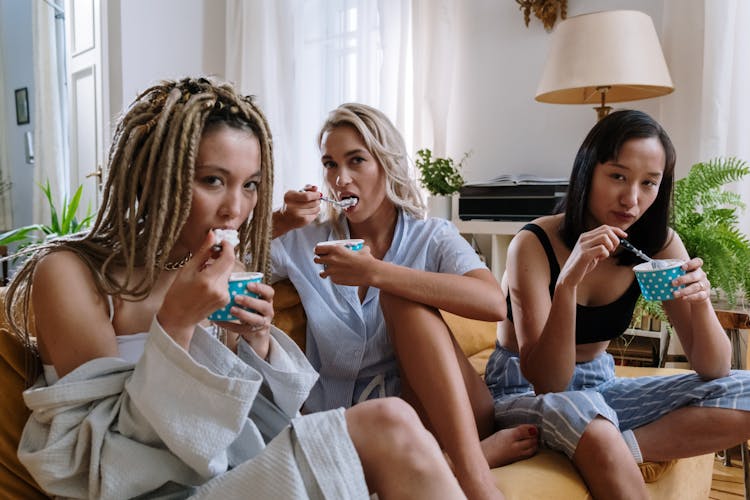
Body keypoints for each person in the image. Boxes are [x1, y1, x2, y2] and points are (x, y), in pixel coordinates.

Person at [4, 78, 467, 500]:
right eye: (212, 180)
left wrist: (257, 344)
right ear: (154, 175)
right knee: (387, 423)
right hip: (160, 492)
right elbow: (105, 463)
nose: (235, 209)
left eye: (250, 186)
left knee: (395, 422)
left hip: (232, 472)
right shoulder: (71, 274)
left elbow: (252, 422)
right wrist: (177, 323)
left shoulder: (224, 269)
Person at [272, 103, 538, 500]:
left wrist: (377, 273)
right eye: (330, 164)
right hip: (352, 426)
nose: (340, 179)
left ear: (386, 163)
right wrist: (281, 221)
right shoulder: (304, 239)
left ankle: (474, 477)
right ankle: (449, 462)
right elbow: (221, 259)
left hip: (444, 413)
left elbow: (493, 304)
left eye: (356, 161)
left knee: (400, 302)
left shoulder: (432, 235)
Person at [484, 109, 750, 499]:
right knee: (588, 418)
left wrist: (700, 299)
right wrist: (568, 283)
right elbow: (549, 382)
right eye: (618, 177)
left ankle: (619, 447)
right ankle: (600, 442)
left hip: (600, 386)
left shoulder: (657, 244)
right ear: (587, 171)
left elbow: (713, 368)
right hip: (522, 391)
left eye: (649, 183)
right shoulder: (535, 244)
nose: (632, 198)